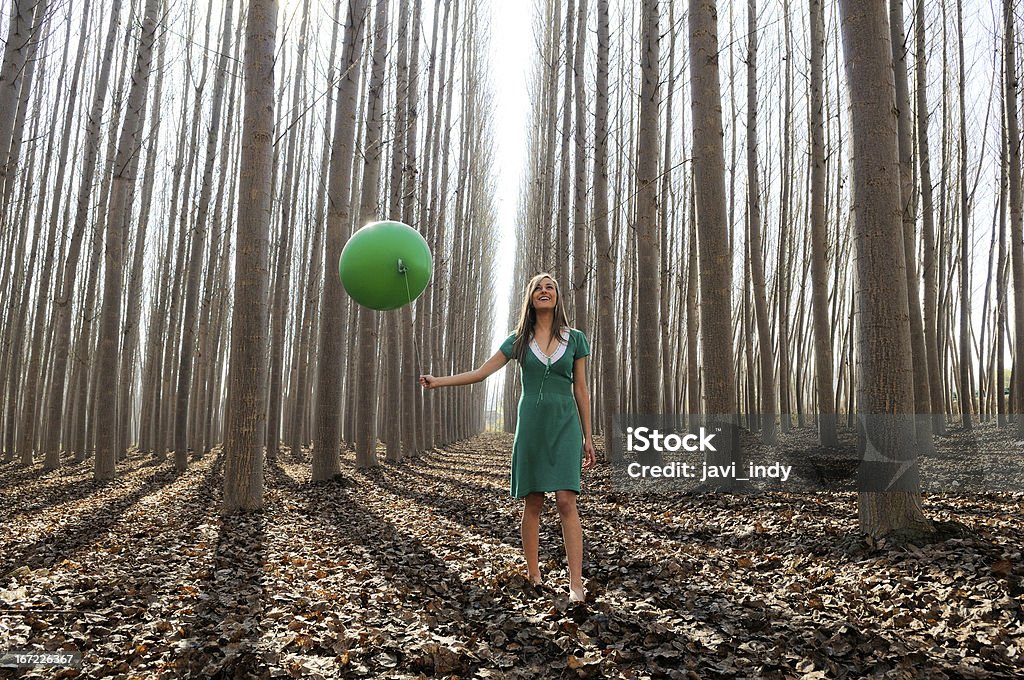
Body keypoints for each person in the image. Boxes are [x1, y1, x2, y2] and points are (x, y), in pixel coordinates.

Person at [419, 272, 596, 603]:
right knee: (534, 502)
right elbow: (481, 373)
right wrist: (438, 381)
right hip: (529, 427)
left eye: (550, 288)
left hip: (565, 425)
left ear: (557, 297)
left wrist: (588, 435)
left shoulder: (576, 339)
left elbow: (581, 389)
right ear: (530, 298)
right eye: (538, 288)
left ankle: (576, 584)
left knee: (566, 502)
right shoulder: (517, 340)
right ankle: (534, 573)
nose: (544, 292)